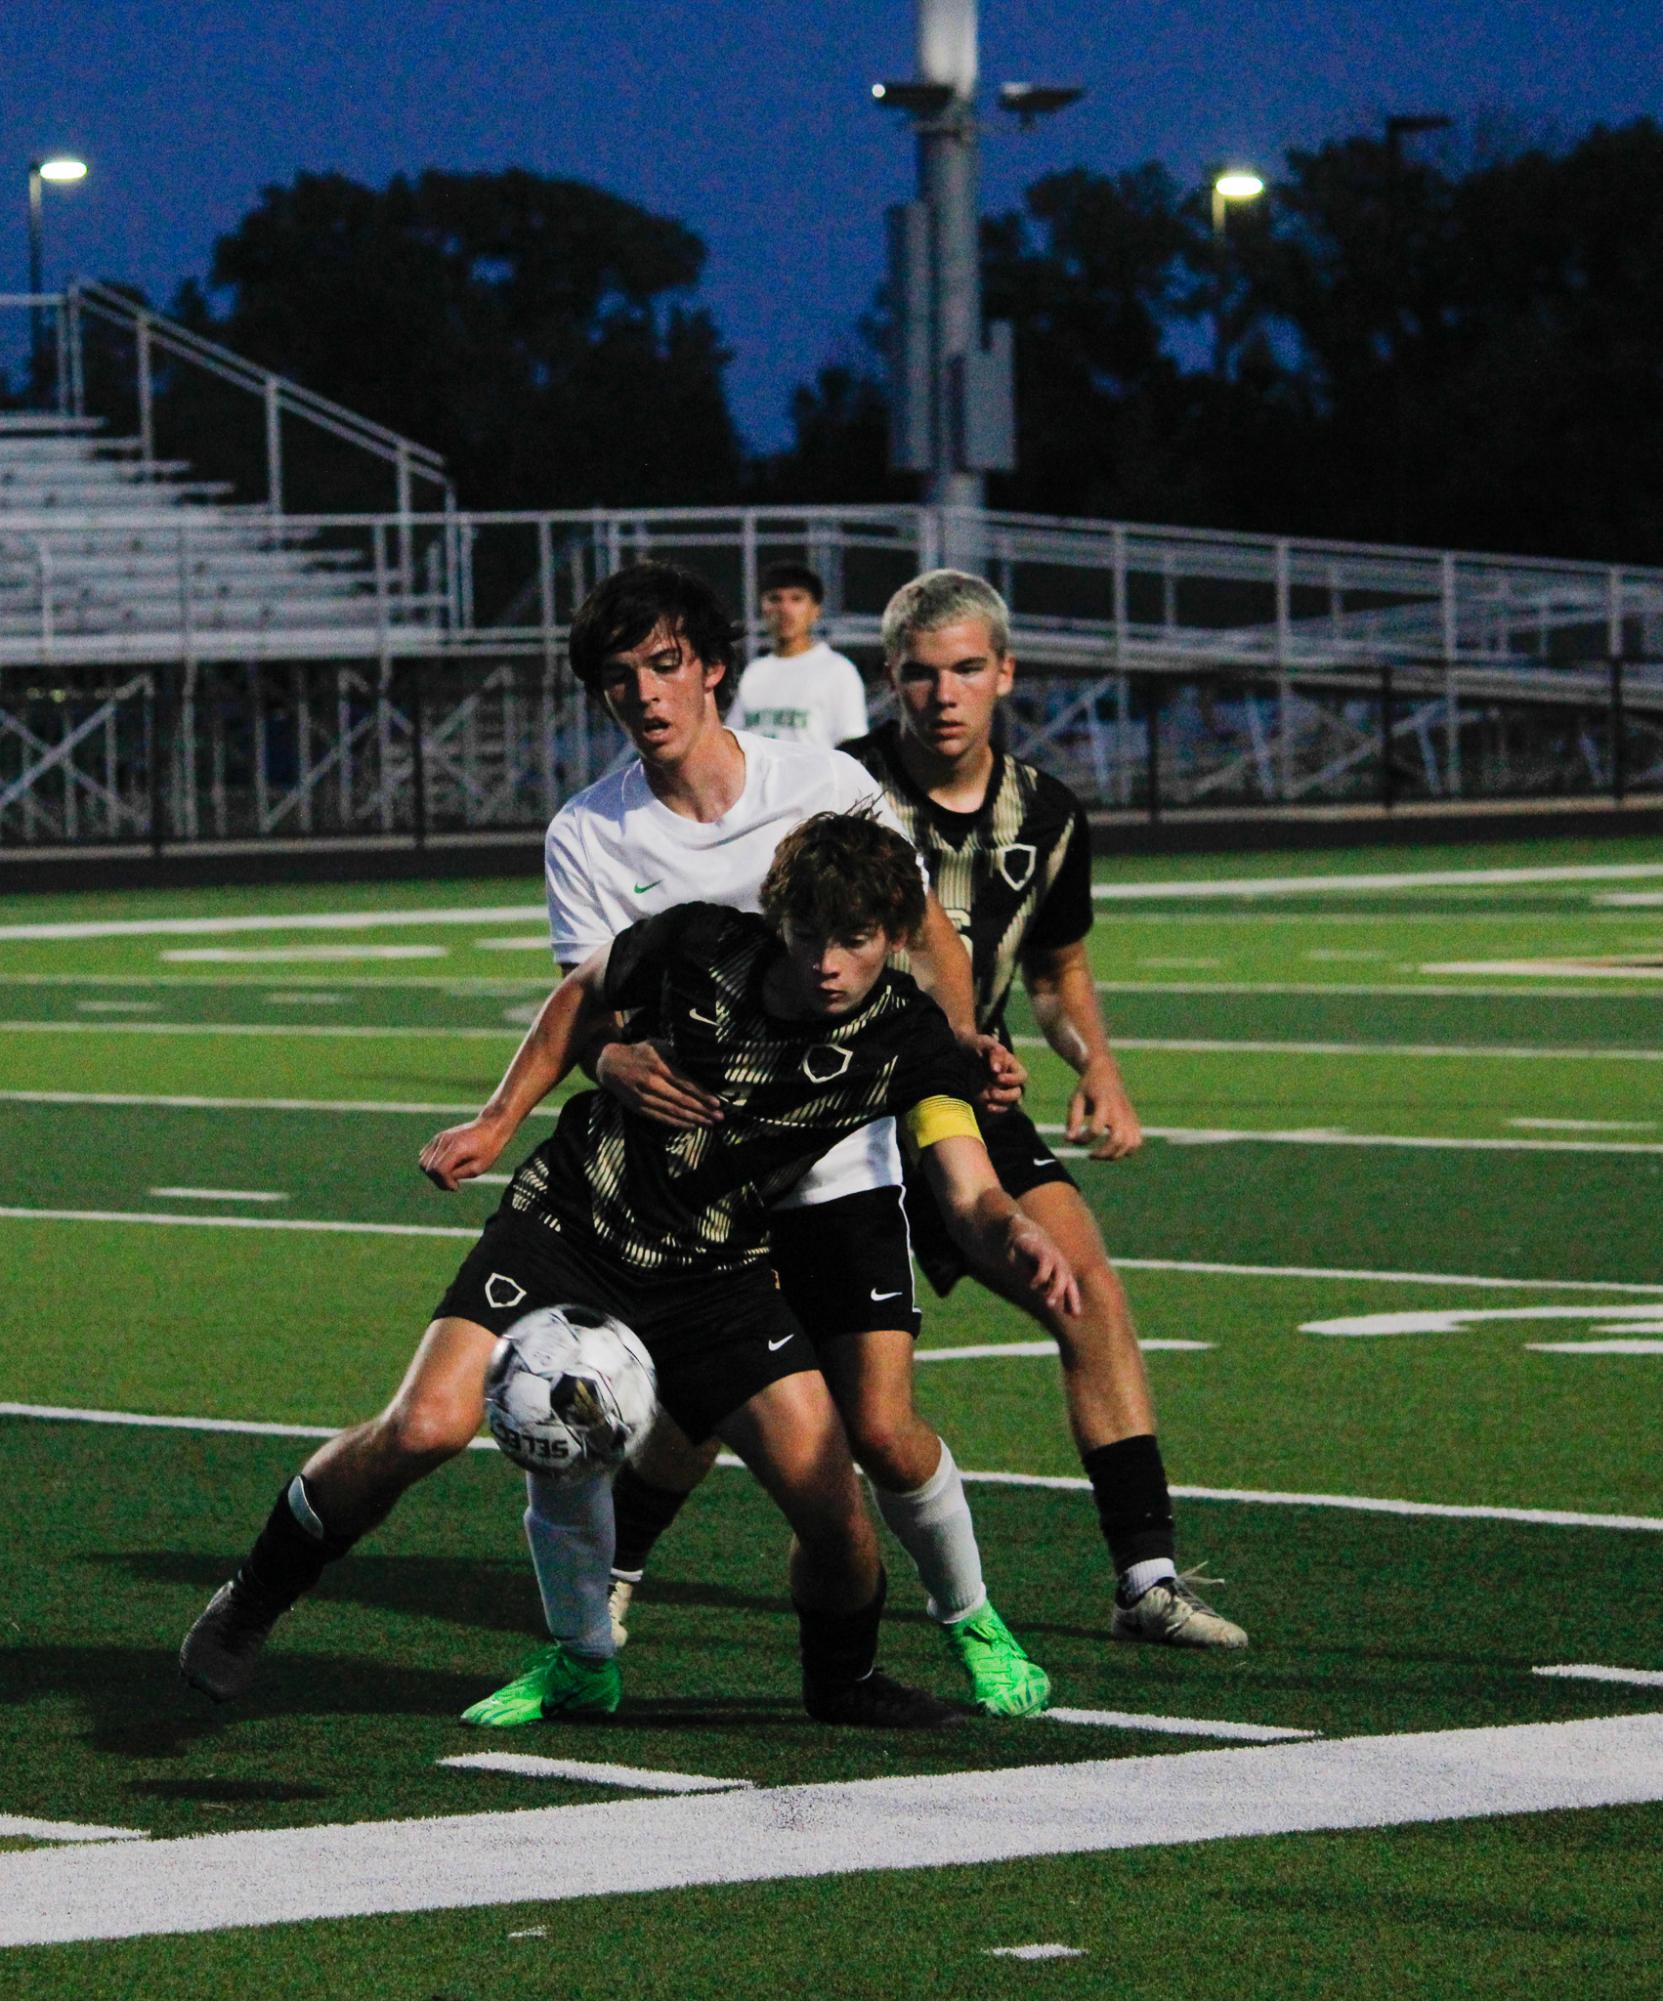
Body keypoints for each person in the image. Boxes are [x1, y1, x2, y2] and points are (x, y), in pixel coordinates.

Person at [179, 811, 1080, 1730]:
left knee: (833, 1506)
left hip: (716, 1271)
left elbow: (967, 1189)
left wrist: (1015, 1234)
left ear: (893, 939)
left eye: (854, 941)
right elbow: (580, 992)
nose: (827, 963)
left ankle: (841, 1681)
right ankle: (253, 1596)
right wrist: (496, 1120)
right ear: (779, 917)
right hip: (569, 1224)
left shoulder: (910, 1036)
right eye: (809, 934)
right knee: (425, 1425)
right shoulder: (699, 941)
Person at [616, 571, 1249, 1651]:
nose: (943, 694)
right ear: (888, 679)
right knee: (726, 1384)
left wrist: (1094, 1062)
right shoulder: (837, 786)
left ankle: (1144, 1577)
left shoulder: (1046, 813)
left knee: (1084, 1285)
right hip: (820, 1109)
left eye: (966, 670)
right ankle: (613, 1569)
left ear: (1005, 674)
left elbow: (1056, 971)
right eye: (919, 672)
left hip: (953, 1090)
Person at [474, 560, 1050, 1724]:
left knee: (878, 1432)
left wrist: (958, 1055)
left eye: (666, 664)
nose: (645, 692)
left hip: (833, 1167)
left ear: (715, 667)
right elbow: (593, 1003)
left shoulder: (820, 783)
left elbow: (922, 930)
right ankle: (588, 1637)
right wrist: (603, 1064)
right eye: (619, 676)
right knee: (616, 1417)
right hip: (684, 1186)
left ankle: (971, 1618)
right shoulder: (591, 832)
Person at [728, 561, 868, 748]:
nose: (785, 609)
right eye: (775, 599)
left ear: (816, 610)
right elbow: (734, 741)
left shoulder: (837, 670)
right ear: (762, 607)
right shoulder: (754, 673)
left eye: (796, 599)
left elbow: (852, 743)